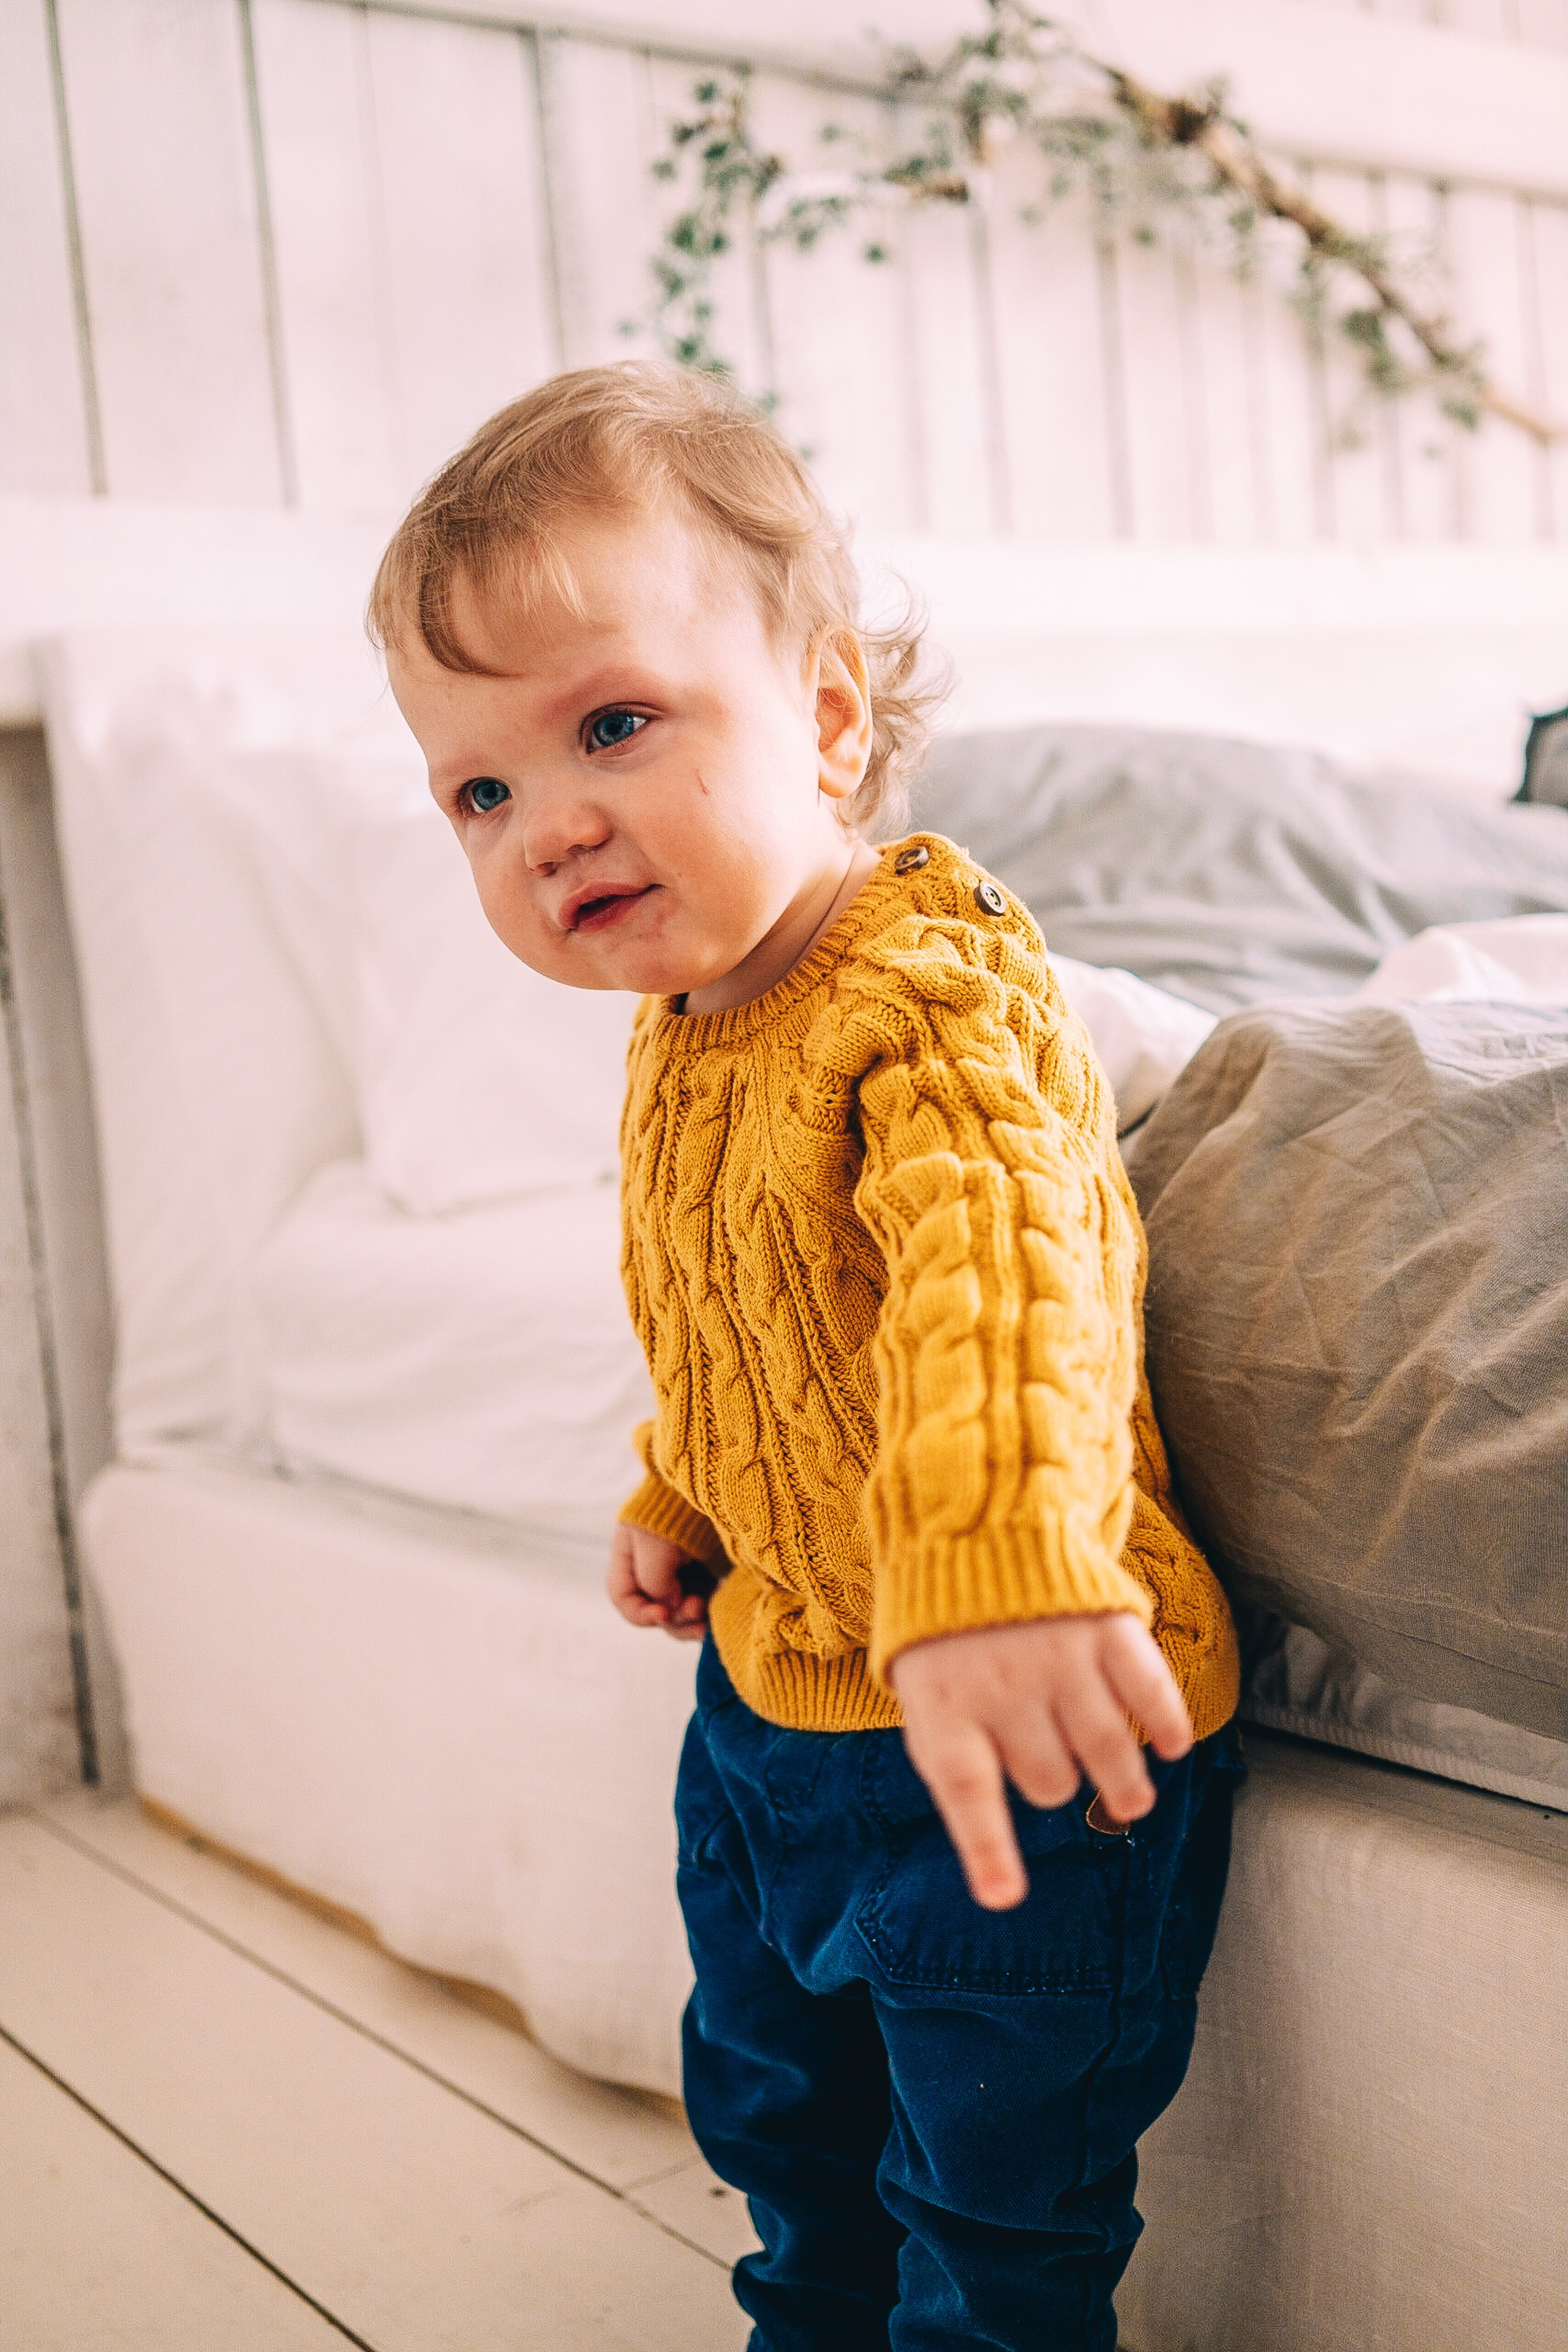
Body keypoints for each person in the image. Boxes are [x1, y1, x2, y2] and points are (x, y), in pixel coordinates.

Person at [374, 361, 1243, 2352]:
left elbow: (1000, 1282)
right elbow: (749, 1297)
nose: (547, 824)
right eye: (479, 792)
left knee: (989, 2209)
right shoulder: (687, 1027)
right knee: (785, 2129)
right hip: (779, 1708)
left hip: (1014, 1724)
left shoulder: (934, 988)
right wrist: (686, 1483)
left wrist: (999, 1566)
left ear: (831, 716)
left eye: (612, 723)